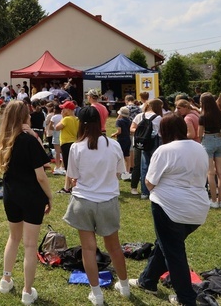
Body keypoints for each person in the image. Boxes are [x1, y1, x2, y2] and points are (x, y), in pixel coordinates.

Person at [130, 114, 210, 306]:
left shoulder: (164, 150)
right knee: (165, 244)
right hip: (197, 209)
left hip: (169, 207)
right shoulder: (199, 147)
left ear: (164, 131)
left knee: (173, 252)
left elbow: (149, 182)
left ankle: (186, 299)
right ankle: (147, 281)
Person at [62, 106, 130, 305]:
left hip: (84, 201)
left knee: (88, 249)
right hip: (107, 201)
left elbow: (72, 176)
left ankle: (97, 293)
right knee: (114, 247)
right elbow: (119, 173)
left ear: (80, 124)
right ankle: (124, 286)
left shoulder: (77, 147)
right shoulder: (113, 145)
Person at [0, 101, 53, 306]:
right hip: (31, 196)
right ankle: (27, 291)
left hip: (11, 195)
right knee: (29, 245)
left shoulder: (5, 139)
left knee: (13, 238)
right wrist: (50, 196)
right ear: (24, 117)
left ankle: (6, 279)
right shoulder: (28, 140)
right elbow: (42, 173)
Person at [130, 99, 163, 199]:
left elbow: (131, 129)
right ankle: (154, 190)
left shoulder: (140, 116)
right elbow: (161, 133)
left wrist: (141, 133)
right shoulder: (159, 118)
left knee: (143, 167)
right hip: (154, 143)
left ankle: (144, 192)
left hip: (141, 143)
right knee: (155, 167)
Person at [198, 92, 221, 208]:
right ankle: (220, 200)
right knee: (220, 172)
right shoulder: (220, 114)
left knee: (210, 172)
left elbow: (199, 133)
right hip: (219, 140)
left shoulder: (203, 116)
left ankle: (213, 200)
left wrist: (200, 141)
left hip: (208, 139)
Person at [54, 101, 79, 193]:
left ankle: (73, 186)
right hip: (74, 142)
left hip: (66, 144)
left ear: (68, 110)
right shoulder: (77, 119)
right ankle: (66, 187)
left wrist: (62, 118)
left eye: (63, 109)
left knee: (68, 167)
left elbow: (57, 127)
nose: (62, 111)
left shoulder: (66, 119)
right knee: (71, 166)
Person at [113, 107, 132, 180]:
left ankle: (118, 172)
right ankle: (127, 172)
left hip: (121, 139)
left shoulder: (119, 121)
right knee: (127, 156)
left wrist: (113, 134)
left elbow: (119, 131)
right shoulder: (129, 120)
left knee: (119, 156)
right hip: (128, 139)